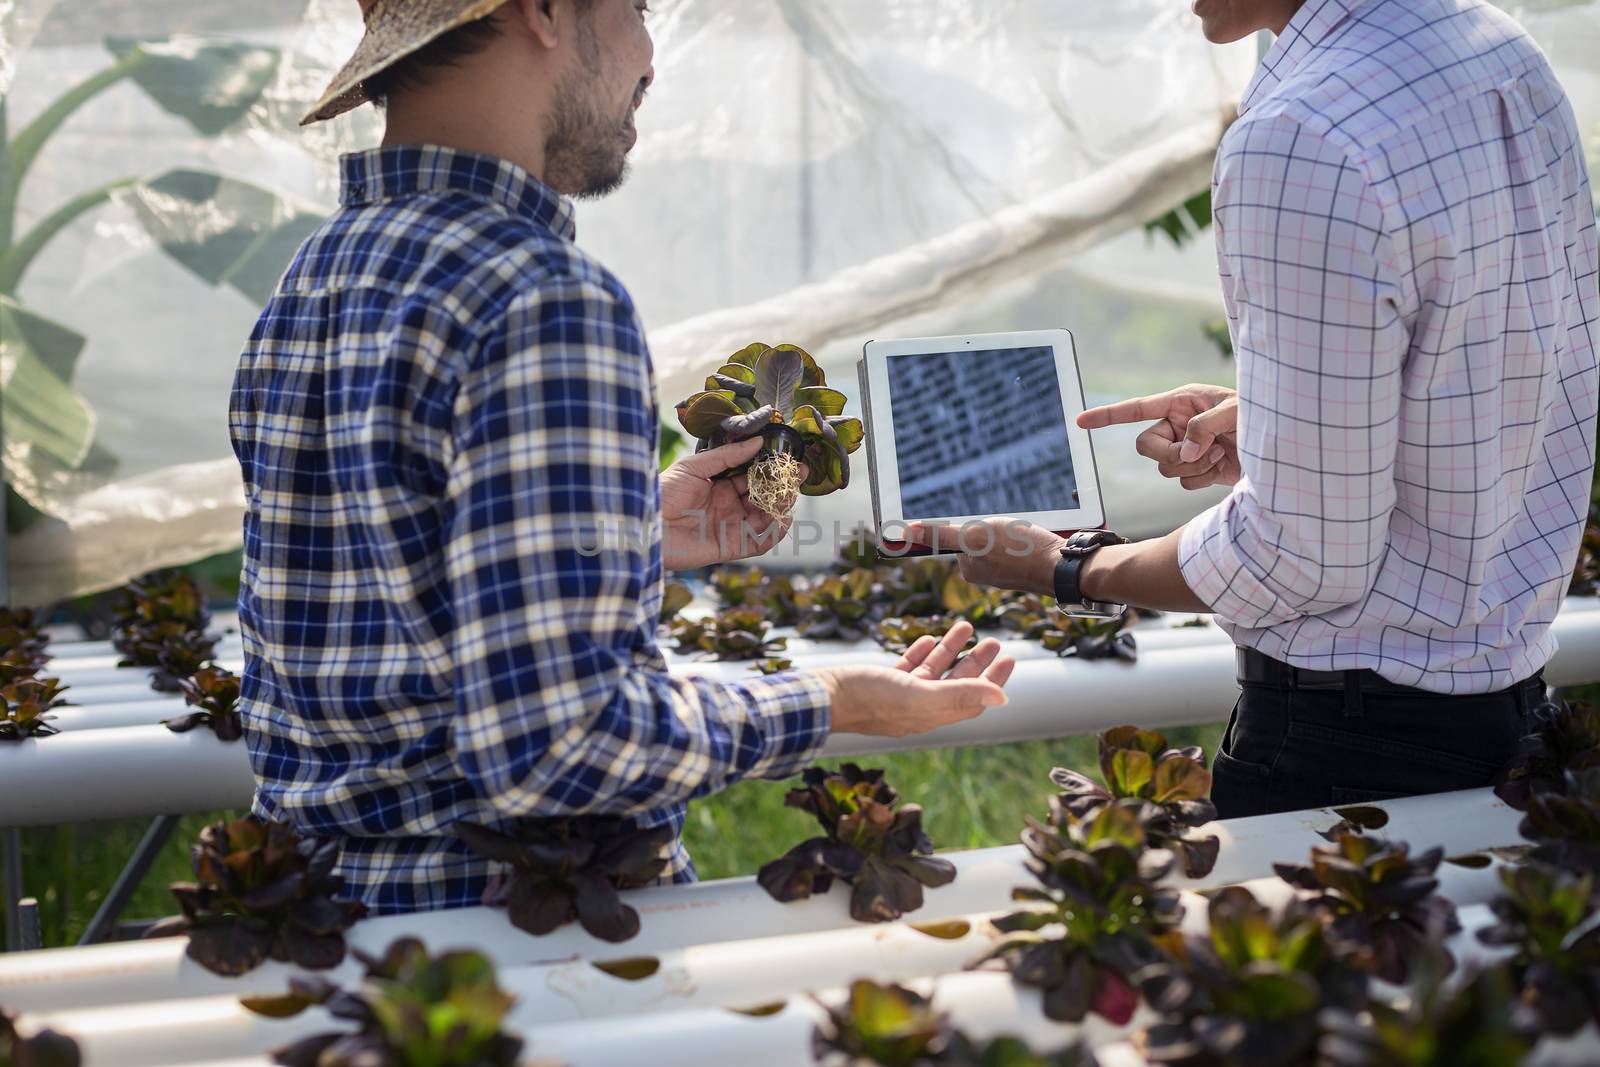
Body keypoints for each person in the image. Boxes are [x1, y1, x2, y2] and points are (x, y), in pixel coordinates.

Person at [229, 0, 1013, 916]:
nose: (651, 54)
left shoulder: (318, 273)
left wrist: (628, 532)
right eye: (640, 9)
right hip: (525, 945)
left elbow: (381, 602)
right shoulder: (543, 296)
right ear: (547, 12)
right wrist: (833, 697)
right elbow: (562, 745)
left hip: (326, 923)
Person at [913, 0, 1598, 817]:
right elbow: (1526, 361)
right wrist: (1289, 414)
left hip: (1349, 745)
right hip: (1513, 716)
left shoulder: (1304, 133)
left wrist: (1068, 566)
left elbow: (1301, 558)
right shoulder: (1493, 47)